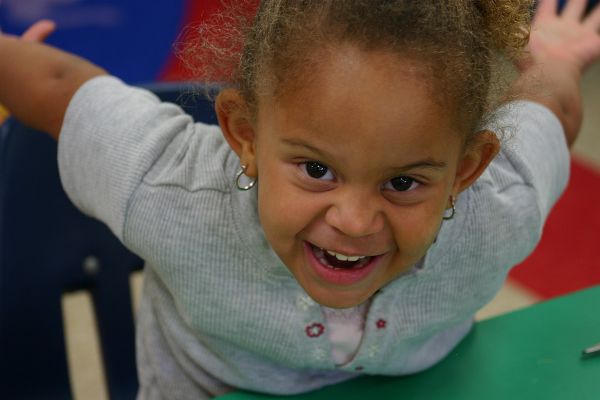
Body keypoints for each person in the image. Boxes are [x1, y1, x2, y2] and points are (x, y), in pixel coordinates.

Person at [1, 0, 599, 398]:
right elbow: (59, 88)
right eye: (317, 170)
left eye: (403, 182)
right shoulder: (169, 185)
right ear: (243, 136)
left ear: (466, 170)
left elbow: (553, 112)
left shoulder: (498, 207)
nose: (356, 220)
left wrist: (557, 58)